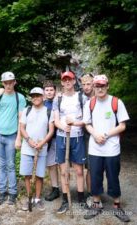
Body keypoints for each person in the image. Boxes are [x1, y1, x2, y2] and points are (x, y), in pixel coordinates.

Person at [83, 75, 130, 222]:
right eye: (97, 86)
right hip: (95, 149)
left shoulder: (116, 102)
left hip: (112, 149)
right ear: (94, 87)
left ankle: (117, 206)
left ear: (107, 86)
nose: (100, 88)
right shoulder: (90, 103)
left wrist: (105, 134)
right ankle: (96, 204)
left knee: (113, 176)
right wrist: (96, 135)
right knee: (95, 176)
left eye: (102, 85)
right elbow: (87, 124)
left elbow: (122, 125)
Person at [0, 72, 26, 205]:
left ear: (14, 82)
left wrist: (18, 138)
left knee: (10, 165)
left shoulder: (19, 98)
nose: (8, 85)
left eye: (11, 82)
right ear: (2, 83)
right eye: (6, 82)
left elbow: (21, 119)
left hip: (12, 135)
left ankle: (12, 193)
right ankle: (2, 192)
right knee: (1, 165)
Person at [53, 71, 86, 214]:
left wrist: (75, 123)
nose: (67, 82)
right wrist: (62, 126)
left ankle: (81, 199)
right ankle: (65, 200)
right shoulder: (57, 99)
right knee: (64, 171)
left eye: (69, 79)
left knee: (79, 171)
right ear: (62, 82)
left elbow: (86, 119)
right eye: (64, 80)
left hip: (77, 137)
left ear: (74, 81)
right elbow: (55, 120)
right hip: (62, 136)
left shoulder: (81, 97)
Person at [20, 87, 54, 211]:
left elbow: (51, 131)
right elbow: (22, 127)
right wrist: (29, 140)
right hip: (27, 148)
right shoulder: (26, 110)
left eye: (38, 95)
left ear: (43, 97)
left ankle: (38, 199)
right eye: (33, 96)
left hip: (42, 148)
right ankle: (29, 197)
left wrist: (42, 143)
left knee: (39, 175)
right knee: (27, 174)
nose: (35, 98)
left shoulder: (48, 111)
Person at [43, 81, 60, 201]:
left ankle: (66, 188)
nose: (49, 92)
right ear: (44, 92)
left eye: (51, 90)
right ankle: (55, 188)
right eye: (47, 90)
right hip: (48, 139)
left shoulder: (60, 102)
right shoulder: (42, 104)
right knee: (51, 165)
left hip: (60, 136)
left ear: (55, 91)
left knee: (63, 164)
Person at [80, 73, 95, 206]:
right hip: (85, 135)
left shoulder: (100, 97)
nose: (86, 87)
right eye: (83, 84)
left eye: (88, 84)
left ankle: (97, 192)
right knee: (89, 167)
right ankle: (90, 193)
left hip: (101, 134)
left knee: (99, 166)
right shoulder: (81, 98)